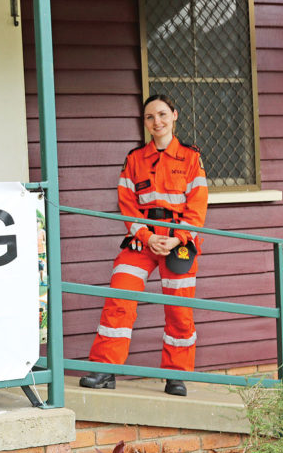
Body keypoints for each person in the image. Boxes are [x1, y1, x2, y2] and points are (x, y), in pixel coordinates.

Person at [79, 94, 208, 397]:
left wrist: (178, 237)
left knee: (180, 310)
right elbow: (126, 205)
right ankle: (105, 369)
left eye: (162, 114)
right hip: (142, 240)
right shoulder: (135, 158)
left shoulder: (191, 158)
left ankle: (176, 375)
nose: (157, 122)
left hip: (179, 241)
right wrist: (148, 237)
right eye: (150, 117)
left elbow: (197, 206)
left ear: (174, 115)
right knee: (119, 297)